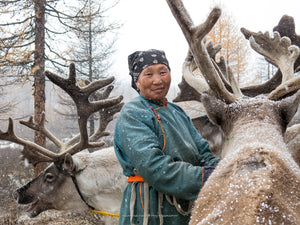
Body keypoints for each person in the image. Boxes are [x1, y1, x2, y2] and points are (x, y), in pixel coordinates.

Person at [114, 49, 220, 225]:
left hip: (184, 203)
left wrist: (227, 168)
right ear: (137, 81)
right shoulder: (132, 113)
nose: (158, 80)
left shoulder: (177, 111)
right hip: (149, 206)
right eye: (148, 74)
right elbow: (153, 167)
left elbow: (202, 151)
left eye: (163, 72)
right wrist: (206, 177)